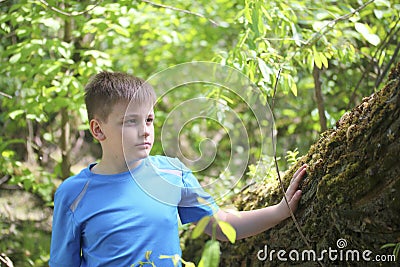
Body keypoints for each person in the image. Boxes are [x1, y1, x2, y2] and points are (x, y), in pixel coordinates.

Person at [49, 71, 307, 267]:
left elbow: (222, 226)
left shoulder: (172, 173)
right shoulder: (74, 194)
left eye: (148, 119)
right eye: (130, 122)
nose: (145, 130)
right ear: (98, 129)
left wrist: (280, 210)